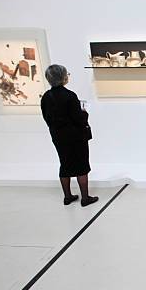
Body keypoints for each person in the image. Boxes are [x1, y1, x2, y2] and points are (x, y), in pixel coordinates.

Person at [41, 65, 98, 207]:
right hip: (75, 137)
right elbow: (79, 119)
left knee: (64, 164)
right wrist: (84, 113)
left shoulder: (46, 97)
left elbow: (47, 118)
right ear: (63, 77)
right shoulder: (70, 96)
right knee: (81, 166)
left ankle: (67, 196)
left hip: (58, 136)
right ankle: (85, 198)